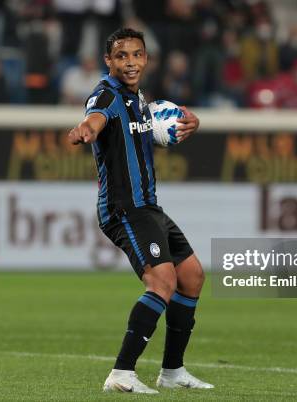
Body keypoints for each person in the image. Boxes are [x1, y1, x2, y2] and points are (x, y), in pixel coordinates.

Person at [67, 28, 213, 394]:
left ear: (146, 58)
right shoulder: (106, 95)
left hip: (148, 206)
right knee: (162, 282)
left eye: (137, 55)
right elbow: (97, 119)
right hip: (124, 209)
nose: (130, 62)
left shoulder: (138, 98)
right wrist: (86, 129)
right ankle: (122, 373)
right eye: (122, 56)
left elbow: (135, 139)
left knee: (192, 276)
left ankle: (173, 372)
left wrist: (186, 126)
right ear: (108, 61)